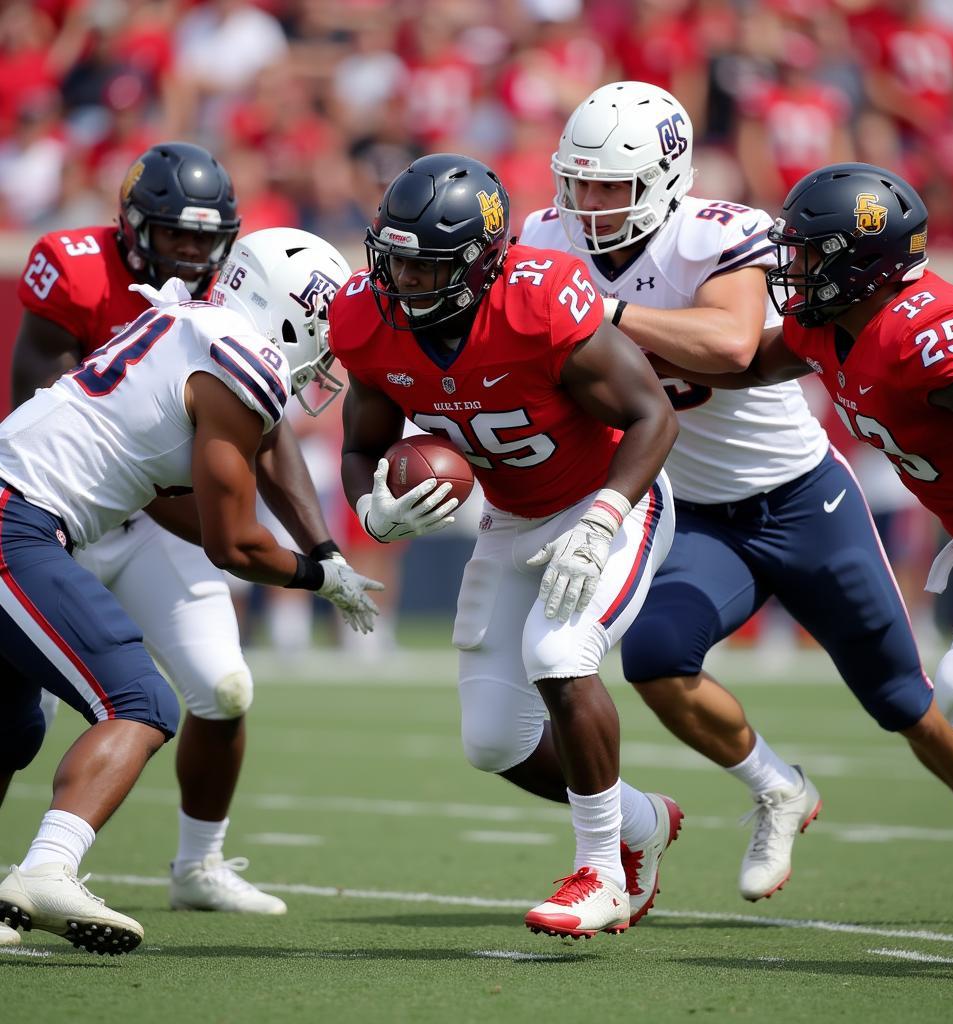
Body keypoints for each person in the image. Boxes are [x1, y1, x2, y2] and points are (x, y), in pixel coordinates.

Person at [519, 82, 953, 922]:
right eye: (580, 182)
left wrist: (597, 314)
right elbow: (748, 360)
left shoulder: (730, 246)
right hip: (696, 511)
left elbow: (724, 345)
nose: (587, 204)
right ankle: (776, 790)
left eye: (611, 184)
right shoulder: (824, 321)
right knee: (654, 659)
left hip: (802, 499)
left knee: (911, 700)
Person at [0, 226, 383, 953]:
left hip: (24, 510)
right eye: (324, 324)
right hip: (17, 520)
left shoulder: (185, 323)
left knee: (11, 725)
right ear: (289, 309)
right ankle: (49, 867)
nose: (328, 350)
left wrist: (325, 551)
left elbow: (223, 479)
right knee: (137, 701)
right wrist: (321, 576)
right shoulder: (241, 360)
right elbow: (230, 541)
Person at [327, 153, 680, 938]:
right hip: (514, 517)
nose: (405, 284)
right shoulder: (368, 317)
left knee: (559, 654)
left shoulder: (540, 300)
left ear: (483, 264)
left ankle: (601, 873)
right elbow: (362, 445)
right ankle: (643, 821)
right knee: (493, 740)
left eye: (428, 269)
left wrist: (603, 519)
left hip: (608, 503)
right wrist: (370, 508)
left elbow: (654, 416)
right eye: (396, 263)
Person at [681, 160, 953, 924]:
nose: (792, 268)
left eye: (811, 253)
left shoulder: (924, 333)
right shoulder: (830, 321)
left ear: (864, 265)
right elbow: (744, 363)